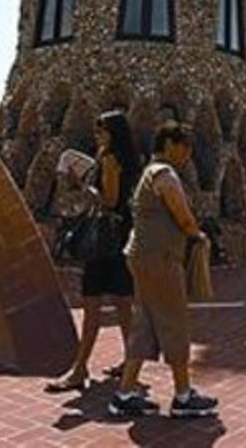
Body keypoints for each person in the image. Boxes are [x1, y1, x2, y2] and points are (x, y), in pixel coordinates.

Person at [110, 120, 218, 418]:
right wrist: (198, 235)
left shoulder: (149, 172)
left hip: (143, 256)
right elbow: (183, 219)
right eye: (185, 147)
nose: (188, 153)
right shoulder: (164, 174)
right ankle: (183, 396)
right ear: (169, 144)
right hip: (160, 258)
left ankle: (125, 392)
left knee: (145, 324)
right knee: (174, 320)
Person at [45, 111, 140, 392]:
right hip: (121, 235)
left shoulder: (110, 159)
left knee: (92, 304)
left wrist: (85, 187)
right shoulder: (127, 160)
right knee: (123, 304)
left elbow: (109, 200)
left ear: (113, 134)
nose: (97, 137)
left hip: (105, 240)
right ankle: (130, 362)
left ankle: (79, 368)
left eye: (101, 132)